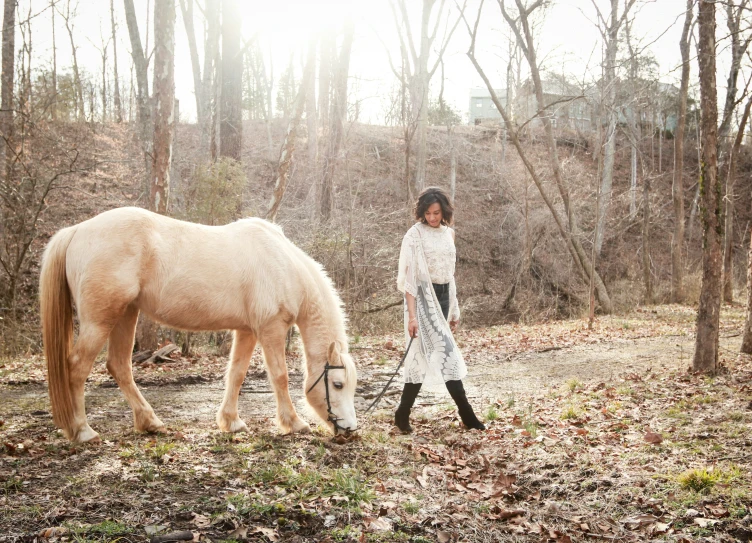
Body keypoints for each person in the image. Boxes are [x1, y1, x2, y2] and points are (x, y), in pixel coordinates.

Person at [395, 187, 485, 433]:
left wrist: (454, 310)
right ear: (421, 212)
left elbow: (450, 274)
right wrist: (412, 316)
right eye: (428, 213)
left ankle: (402, 413)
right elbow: (410, 279)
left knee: (422, 357)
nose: (432, 218)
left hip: (444, 298)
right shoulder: (415, 235)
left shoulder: (450, 234)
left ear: (444, 212)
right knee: (448, 355)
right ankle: (467, 415)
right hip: (423, 298)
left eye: (436, 213)